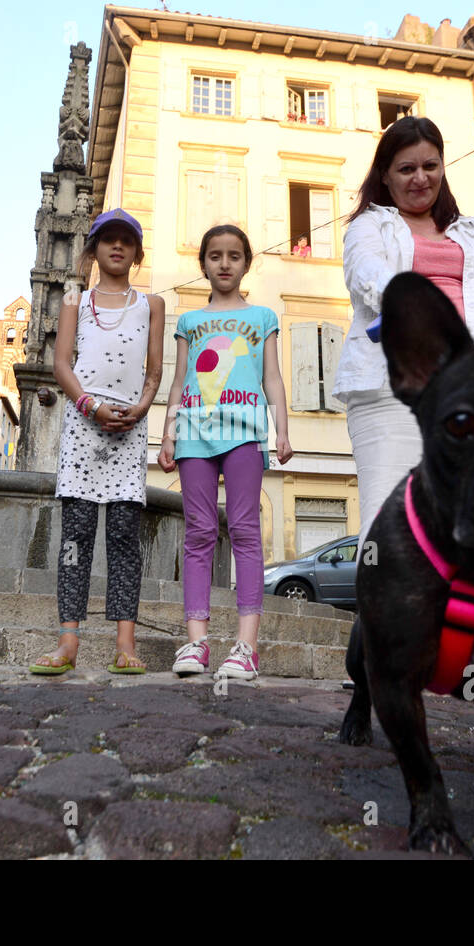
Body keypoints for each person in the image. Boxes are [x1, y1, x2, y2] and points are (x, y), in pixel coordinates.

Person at [332, 116, 474, 530]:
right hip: (390, 389)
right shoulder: (369, 227)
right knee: (390, 521)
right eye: (406, 169)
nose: (420, 178)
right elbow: (369, 275)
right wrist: (423, 318)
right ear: (385, 176)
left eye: (430, 166)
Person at [29, 208, 165, 676]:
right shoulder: (75, 300)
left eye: (127, 240)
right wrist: (90, 406)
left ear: (137, 251)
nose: (117, 247)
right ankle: (68, 640)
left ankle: (125, 643)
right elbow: (62, 364)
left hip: (130, 426)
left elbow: (154, 370)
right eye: (108, 239)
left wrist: (142, 408)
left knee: (125, 537)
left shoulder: (152, 305)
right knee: (76, 535)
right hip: (83, 424)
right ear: (93, 248)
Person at [158, 225, 293, 681]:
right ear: (204, 264)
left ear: (246, 263)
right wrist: (168, 436)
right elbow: (178, 382)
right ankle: (196, 644)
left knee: (244, 530)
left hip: (245, 434)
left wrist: (283, 431)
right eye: (215, 255)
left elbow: (272, 377)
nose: (224, 263)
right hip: (194, 434)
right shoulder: (189, 322)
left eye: (234, 255)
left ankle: (247, 647)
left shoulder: (262, 317)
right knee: (197, 533)